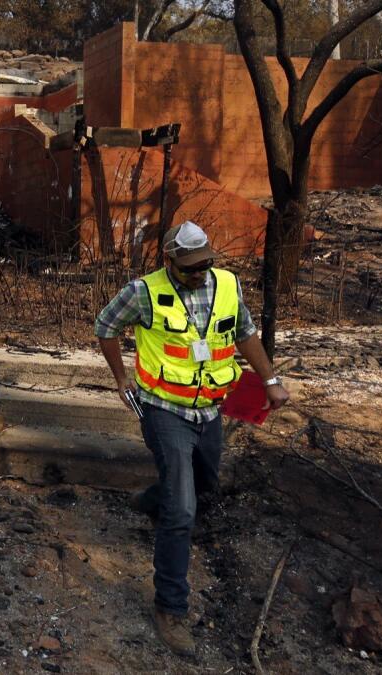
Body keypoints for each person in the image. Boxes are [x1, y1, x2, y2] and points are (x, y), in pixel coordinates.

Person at [94, 221, 290, 656]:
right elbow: (105, 326)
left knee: (203, 484)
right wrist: (121, 378)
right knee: (182, 511)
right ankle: (170, 606)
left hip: (211, 409)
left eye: (204, 265)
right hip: (164, 410)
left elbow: (245, 332)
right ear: (168, 261)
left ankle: (151, 499)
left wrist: (270, 379)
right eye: (188, 268)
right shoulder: (142, 292)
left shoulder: (226, 285)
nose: (198, 274)